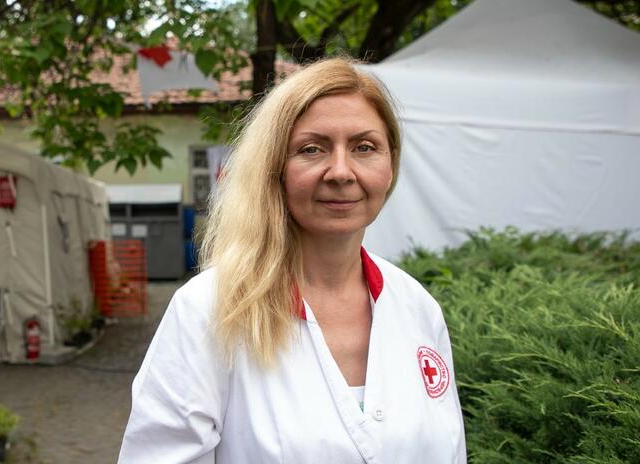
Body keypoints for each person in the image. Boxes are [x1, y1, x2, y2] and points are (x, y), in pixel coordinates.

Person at [118, 58, 467, 463]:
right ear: (275, 169)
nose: (341, 172)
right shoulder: (209, 310)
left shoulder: (418, 308)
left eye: (364, 147)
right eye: (312, 149)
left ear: (391, 165)